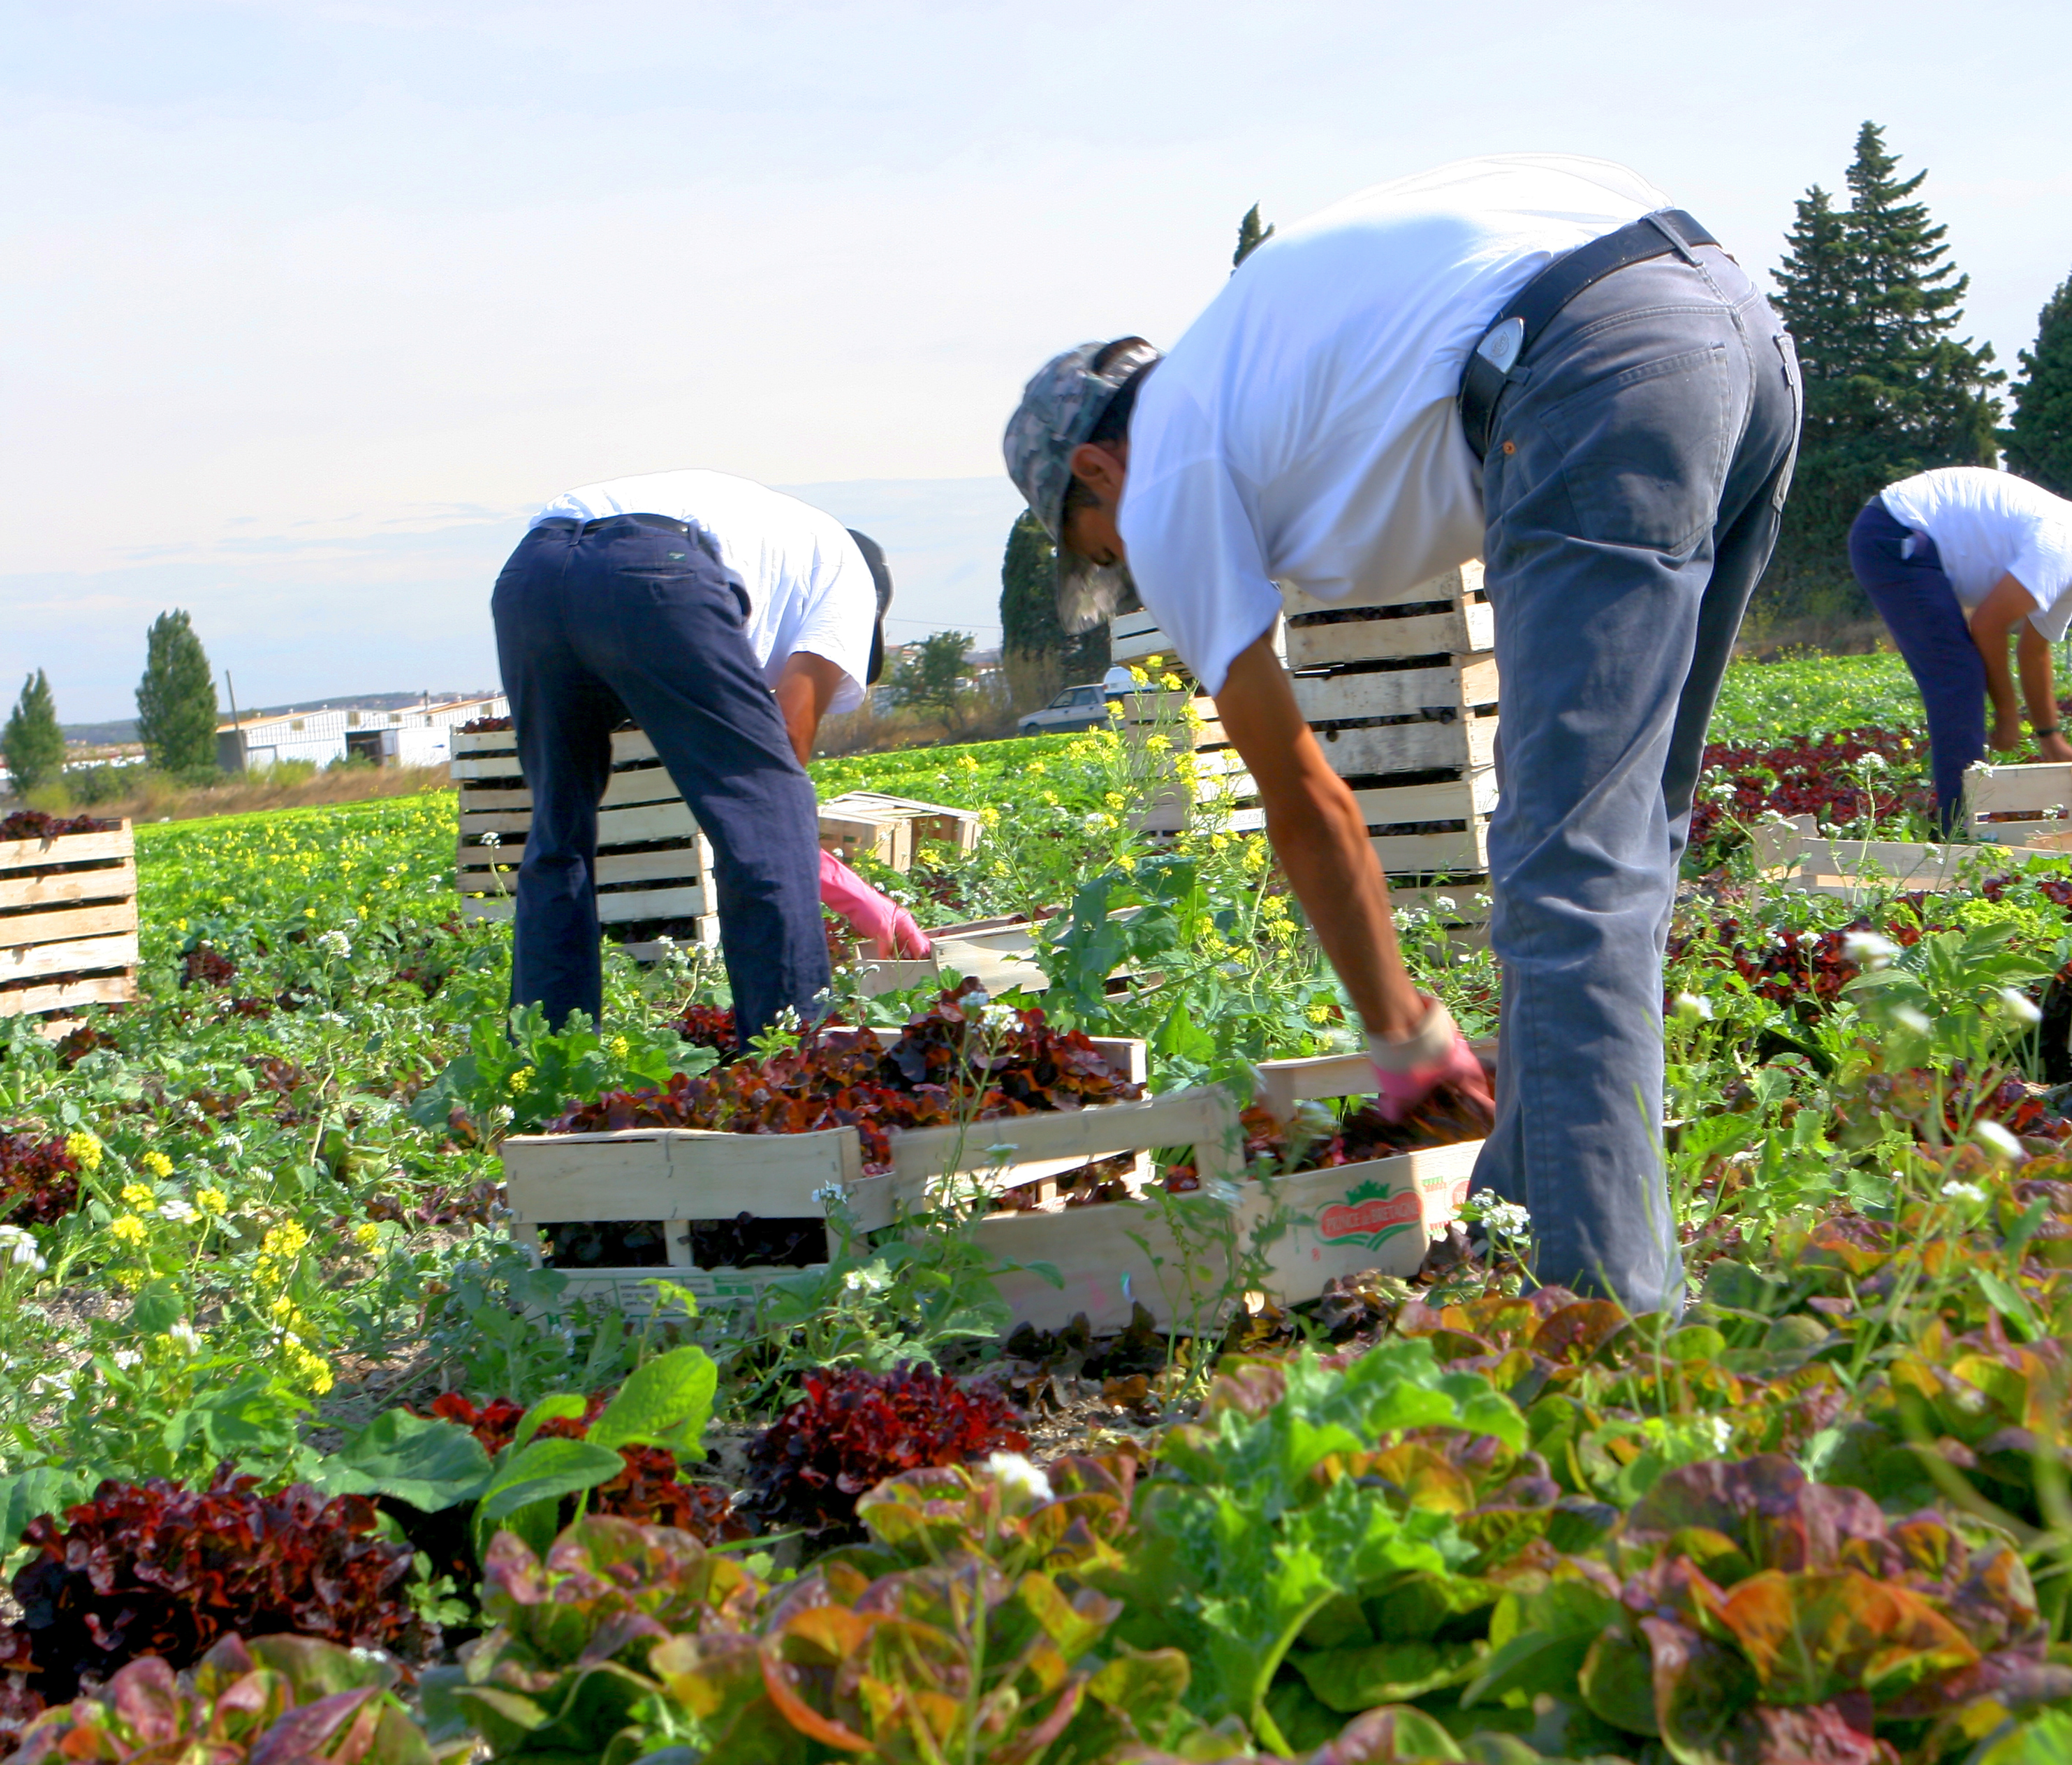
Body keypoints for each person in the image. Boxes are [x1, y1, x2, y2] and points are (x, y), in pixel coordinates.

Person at [1003, 154, 1802, 1315]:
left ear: (1093, 467)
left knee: (1567, 860)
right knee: (1628, 836)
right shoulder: (1246, 369)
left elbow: (1303, 795)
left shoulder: (1163, 467)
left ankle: (1603, 1326)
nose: (1118, 564)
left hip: (1591, 365)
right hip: (1734, 328)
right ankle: (1529, 1211)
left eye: (1096, 543)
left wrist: (1400, 1027)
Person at [488, 468, 926, 1044]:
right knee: (771, 802)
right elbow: (775, 770)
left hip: (533, 572)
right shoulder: (848, 579)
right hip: (654, 567)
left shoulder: (776, 541)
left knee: (558, 831)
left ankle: (546, 1065)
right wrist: (856, 895)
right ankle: (789, 1063)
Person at [1846, 469, 2072, 833]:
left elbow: (2033, 649)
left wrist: (2048, 734)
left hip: (1903, 532)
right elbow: (1987, 625)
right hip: (1895, 532)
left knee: (1960, 672)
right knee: (1958, 675)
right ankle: (1958, 830)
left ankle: (1960, 820)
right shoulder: (2065, 547)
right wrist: (2007, 714)